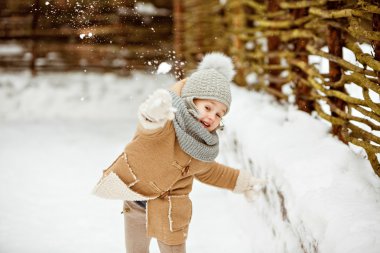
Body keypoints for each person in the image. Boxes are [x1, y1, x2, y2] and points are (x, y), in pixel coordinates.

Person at [93, 52, 266, 253]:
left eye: (219, 114)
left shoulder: (201, 145)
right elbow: (148, 130)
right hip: (136, 199)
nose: (212, 116)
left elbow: (209, 171)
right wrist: (154, 114)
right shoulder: (167, 120)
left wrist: (242, 182)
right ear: (192, 100)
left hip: (170, 211)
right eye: (208, 107)